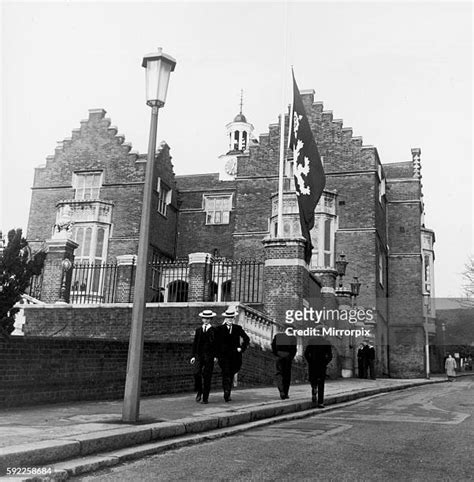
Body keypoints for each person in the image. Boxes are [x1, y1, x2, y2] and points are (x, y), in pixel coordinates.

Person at [215, 307, 250, 402]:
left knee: (231, 374)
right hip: (223, 356)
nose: (229, 319)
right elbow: (216, 343)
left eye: (231, 317)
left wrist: (241, 348)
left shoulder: (237, 328)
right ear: (225, 318)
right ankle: (226, 392)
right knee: (225, 373)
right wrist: (216, 355)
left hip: (235, 356)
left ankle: (228, 391)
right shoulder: (219, 329)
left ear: (233, 318)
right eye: (228, 317)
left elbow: (247, 339)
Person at [190, 309, 217, 404]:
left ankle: (205, 398)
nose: (206, 320)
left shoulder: (213, 330)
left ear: (210, 319)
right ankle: (199, 391)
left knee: (207, 376)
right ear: (202, 319)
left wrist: (215, 356)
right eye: (204, 318)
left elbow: (216, 345)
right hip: (199, 356)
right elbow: (195, 344)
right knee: (196, 373)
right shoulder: (198, 330)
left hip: (209, 356)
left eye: (208, 318)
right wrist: (193, 356)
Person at [304, 335, 333, 408]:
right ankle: (320, 402)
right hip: (321, 365)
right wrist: (325, 362)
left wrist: (310, 361)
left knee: (313, 379)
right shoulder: (326, 342)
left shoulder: (311, 341)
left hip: (312, 365)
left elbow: (306, 353)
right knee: (321, 383)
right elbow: (330, 355)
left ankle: (314, 388)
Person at [271, 329, 297, 400]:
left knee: (279, 374)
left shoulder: (278, 336)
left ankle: (281, 391)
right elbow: (294, 349)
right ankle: (286, 393)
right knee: (287, 375)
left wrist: (276, 354)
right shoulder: (293, 338)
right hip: (287, 357)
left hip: (279, 356)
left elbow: (273, 346)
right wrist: (291, 357)